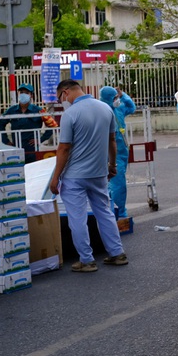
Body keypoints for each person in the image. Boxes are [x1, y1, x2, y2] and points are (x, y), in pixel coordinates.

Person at [48, 79, 127, 273]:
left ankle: (86, 260)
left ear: (65, 92)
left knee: (77, 217)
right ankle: (117, 253)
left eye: (60, 98)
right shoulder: (105, 109)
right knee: (105, 212)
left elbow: (64, 147)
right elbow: (112, 141)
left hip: (74, 175)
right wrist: (112, 165)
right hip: (99, 173)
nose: (61, 102)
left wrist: (55, 177)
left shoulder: (70, 114)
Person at [98, 85, 136, 218]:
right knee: (115, 183)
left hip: (121, 152)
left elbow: (131, 107)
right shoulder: (102, 113)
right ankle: (117, 211)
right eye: (114, 97)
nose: (117, 99)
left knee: (115, 183)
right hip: (108, 152)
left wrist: (123, 95)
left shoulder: (118, 109)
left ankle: (115, 210)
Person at [0, 84, 52, 163]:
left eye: (26, 93)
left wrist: (40, 139)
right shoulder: (12, 110)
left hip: (32, 149)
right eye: (21, 92)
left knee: (32, 170)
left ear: (31, 95)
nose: (23, 95)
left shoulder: (39, 111)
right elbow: (0, 123)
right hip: (16, 147)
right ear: (18, 94)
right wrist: (6, 141)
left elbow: (53, 125)